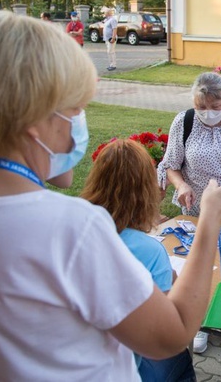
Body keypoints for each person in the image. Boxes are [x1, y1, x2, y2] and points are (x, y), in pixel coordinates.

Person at [0, 10, 221, 379]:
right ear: (34, 119)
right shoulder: (72, 229)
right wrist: (209, 223)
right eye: (75, 109)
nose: (80, 125)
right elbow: (170, 335)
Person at [156, 71, 221, 353]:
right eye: (201, 107)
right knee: (199, 263)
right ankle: (201, 323)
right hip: (195, 208)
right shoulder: (184, 121)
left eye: (215, 108)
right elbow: (172, 164)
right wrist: (180, 186)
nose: (208, 113)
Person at [82, 139, 195, 382]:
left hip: (81, 356)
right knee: (180, 358)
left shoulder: (79, 230)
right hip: (125, 365)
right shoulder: (150, 251)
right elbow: (166, 330)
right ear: (147, 189)